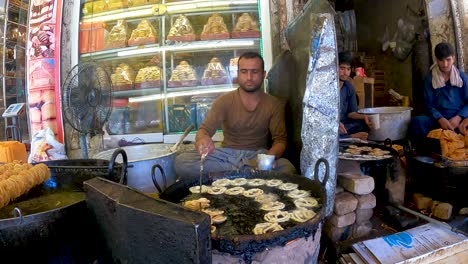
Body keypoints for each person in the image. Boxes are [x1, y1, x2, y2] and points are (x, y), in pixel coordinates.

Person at [174, 52, 296, 180]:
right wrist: (202, 140)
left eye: (254, 72)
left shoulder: (274, 104)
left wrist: (269, 158)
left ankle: (230, 175)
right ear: (237, 75)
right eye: (244, 72)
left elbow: (280, 140)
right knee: (182, 162)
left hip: (257, 156)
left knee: (287, 168)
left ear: (263, 74)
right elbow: (204, 130)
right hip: (226, 156)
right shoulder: (223, 101)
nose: (249, 77)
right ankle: (249, 174)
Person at [409, 42, 468, 140]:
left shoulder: (462, 78)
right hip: (437, 120)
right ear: (436, 60)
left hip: (457, 120)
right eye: (441, 60)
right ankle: (428, 150)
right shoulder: (430, 79)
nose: (445, 64)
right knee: (417, 122)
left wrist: (459, 117)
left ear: (453, 58)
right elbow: (429, 105)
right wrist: (440, 119)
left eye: (448, 60)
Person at [338, 51, 372, 140]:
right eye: (342, 68)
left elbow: (351, 113)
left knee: (363, 124)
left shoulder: (349, 87)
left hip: (345, 124)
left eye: (348, 69)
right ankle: (350, 137)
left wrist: (364, 117)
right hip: (330, 124)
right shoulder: (327, 87)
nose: (345, 72)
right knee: (329, 131)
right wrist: (335, 123)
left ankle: (344, 137)